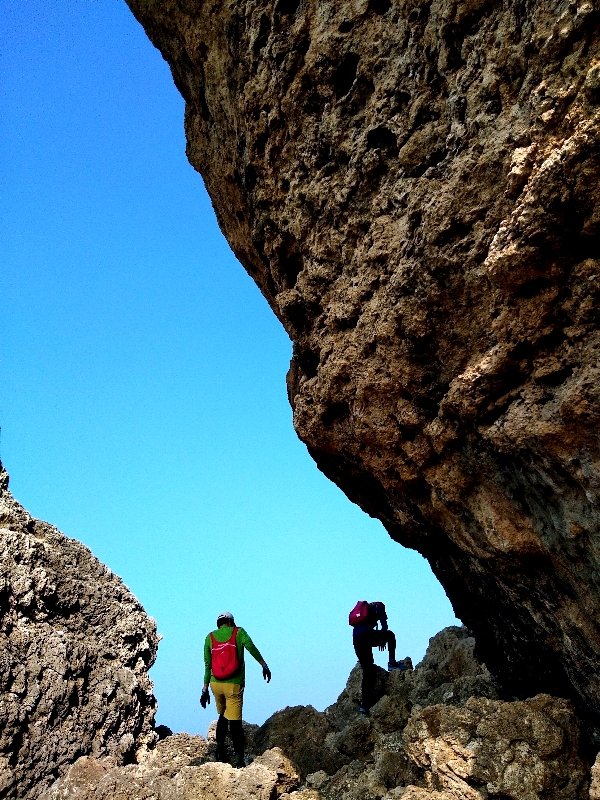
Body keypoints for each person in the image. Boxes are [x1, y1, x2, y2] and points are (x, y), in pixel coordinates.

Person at [200, 611, 271, 767]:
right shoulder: (238, 632)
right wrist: (264, 665)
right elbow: (251, 647)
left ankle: (220, 751)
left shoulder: (209, 637)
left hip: (215, 685)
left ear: (218, 624)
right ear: (231, 622)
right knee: (236, 723)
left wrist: (204, 690)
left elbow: (207, 665)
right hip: (234, 684)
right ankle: (239, 760)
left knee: (222, 715)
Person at [352, 601, 412, 715]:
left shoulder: (365, 611)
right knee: (390, 635)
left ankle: (364, 706)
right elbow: (384, 626)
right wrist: (382, 639)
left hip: (357, 638)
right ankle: (392, 663)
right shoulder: (379, 607)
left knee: (367, 670)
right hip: (368, 634)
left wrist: (378, 638)